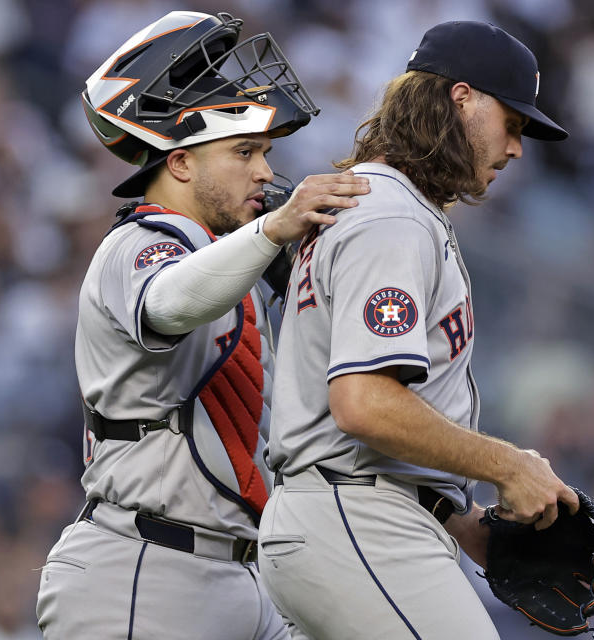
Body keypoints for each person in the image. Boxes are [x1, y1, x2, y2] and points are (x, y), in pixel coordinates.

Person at [35, 11, 369, 640]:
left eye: (265, 153)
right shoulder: (140, 241)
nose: (266, 172)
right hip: (143, 572)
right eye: (244, 151)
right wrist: (274, 230)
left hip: (246, 578)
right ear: (181, 163)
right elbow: (167, 305)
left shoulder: (229, 259)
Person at [259, 20, 579, 639]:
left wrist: (462, 520)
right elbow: (364, 404)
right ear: (462, 98)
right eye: (512, 125)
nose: (516, 149)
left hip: (349, 515)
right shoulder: (392, 217)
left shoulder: (387, 207)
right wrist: (507, 465)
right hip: (359, 521)